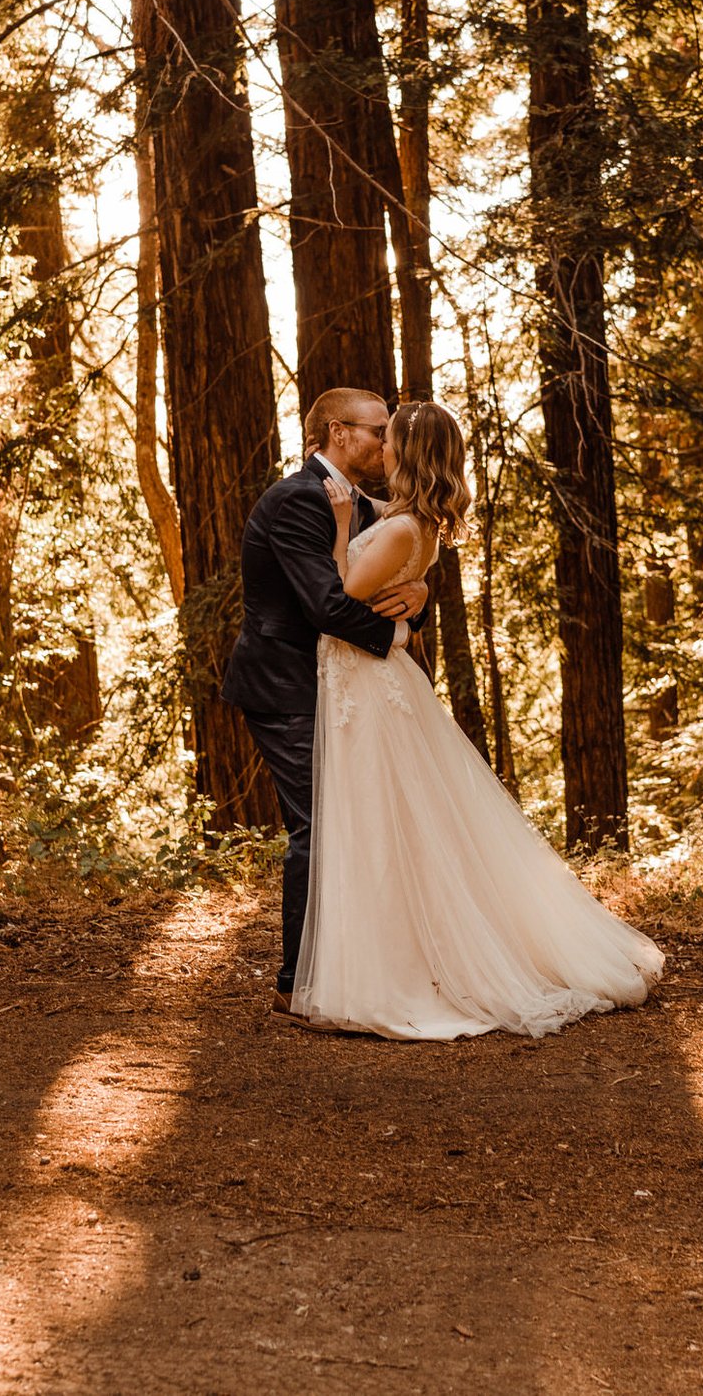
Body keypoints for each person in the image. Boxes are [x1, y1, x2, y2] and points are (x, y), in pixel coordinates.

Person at [294, 401, 663, 1039]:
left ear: (407, 455)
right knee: (381, 818)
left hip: (372, 686)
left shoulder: (409, 526)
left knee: (383, 818)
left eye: (390, 441)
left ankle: (401, 972)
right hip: (363, 678)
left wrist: (335, 528)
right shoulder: (408, 520)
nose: (380, 448)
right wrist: (414, 596)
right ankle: (378, 961)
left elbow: (344, 587)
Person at [223, 388, 432, 1013]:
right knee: (318, 824)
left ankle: (351, 965)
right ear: (338, 433)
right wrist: (398, 634)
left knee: (351, 819)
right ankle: (298, 980)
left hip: (335, 684)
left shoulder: (359, 505)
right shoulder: (296, 500)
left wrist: (417, 596)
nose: (384, 443)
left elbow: (379, 577)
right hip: (284, 685)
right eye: (376, 432)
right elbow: (327, 605)